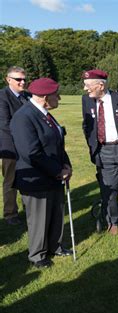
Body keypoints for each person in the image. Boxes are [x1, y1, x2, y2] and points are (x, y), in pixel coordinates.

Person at [10, 78, 73, 268]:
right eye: (56, 95)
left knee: (55, 213)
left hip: (54, 175)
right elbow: (30, 152)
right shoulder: (24, 117)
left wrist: (66, 166)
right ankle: (37, 255)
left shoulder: (45, 114)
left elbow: (57, 143)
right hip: (36, 179)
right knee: (39, 219)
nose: (59, 98)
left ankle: (55, 246)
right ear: (45, 97)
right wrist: (57, 171)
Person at [82, 69, 118, 235]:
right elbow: (86, 125)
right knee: (109, 188)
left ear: (101, 85)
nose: (86, 89)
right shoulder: (86, 100)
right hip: (103, 150)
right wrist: (92, 145)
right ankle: (112, 220)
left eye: (88, 86)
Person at [0, 66, 30, 225]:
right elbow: (5, 124)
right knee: (10, 181)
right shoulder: (2, 96)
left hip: (27, 145)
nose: (23, 82)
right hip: (10, 146)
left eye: (24, 79)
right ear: (8, 80)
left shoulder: (27, 96)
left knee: (28, 176)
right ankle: (10, 214)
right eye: (18, 79)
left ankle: (29, 207)